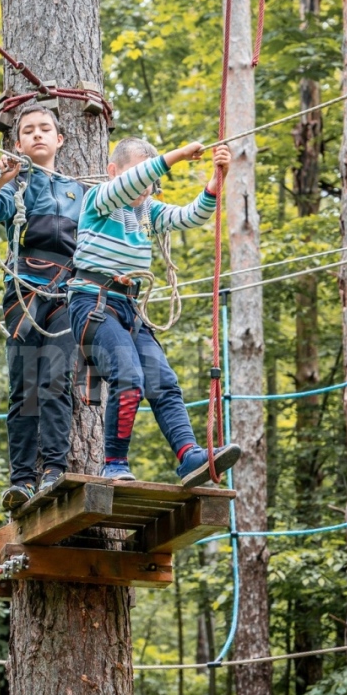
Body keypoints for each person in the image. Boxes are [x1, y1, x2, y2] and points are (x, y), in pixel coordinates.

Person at [67, 135, 241, 487]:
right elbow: (132, 182)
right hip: (93, 303)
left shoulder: (147, 215)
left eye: (151, 180)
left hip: (128, 308)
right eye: (139, 174)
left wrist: (214, 181)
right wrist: (175, 155)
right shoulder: (99, 201)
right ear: (113, 171)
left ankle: (189, 455)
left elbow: (190, 216)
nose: (146, 185)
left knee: (164, 381)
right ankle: (114, 462)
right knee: (128, 378)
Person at [0, 102, 86, 510]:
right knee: (24, 386)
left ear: (59, 139)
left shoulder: (82, 191)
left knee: (56, 381)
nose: (38, 135)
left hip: (67, 294)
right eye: (28, 131)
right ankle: (22, 478)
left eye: (45, 129)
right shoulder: (15, 185)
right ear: (19, 142)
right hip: (24, 292)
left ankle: (53, 469)